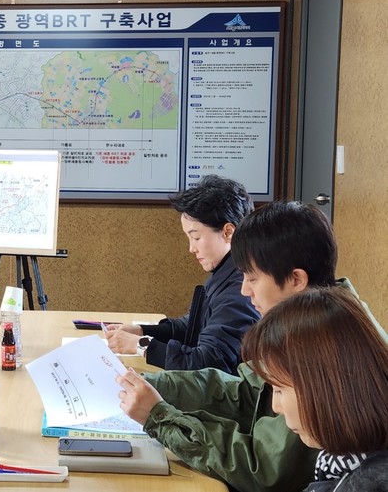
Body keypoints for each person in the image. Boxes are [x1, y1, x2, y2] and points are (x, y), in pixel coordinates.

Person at [116, 200, 388, 492]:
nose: (245, 290)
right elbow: (247, 393)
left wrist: (161, 418)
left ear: (296, 279)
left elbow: (265, 468)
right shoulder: (313, 324)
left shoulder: (324, 345)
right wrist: (149, 385)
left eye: (253, 278)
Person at [106, 175, 259, 374]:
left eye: (196, 237)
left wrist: (142, 345)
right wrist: (142, 331)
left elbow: (208, 363)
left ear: (228, 232)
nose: (191, 248)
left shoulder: (240, 287)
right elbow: (192, 327)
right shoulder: (225, 270)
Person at [241, 286, 388, 491]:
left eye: (279, 389)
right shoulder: (345, 462)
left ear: (325, 385)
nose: (276, 407)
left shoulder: (367, 484)